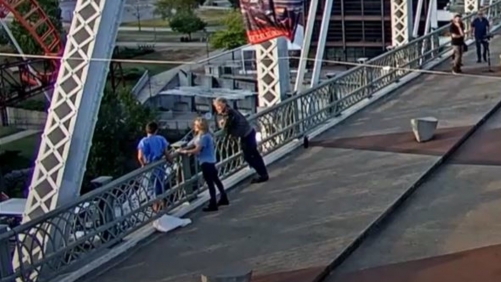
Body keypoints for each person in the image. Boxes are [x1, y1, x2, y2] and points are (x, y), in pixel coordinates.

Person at [213, 97, 269, 183]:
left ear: (223, 104)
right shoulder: (230, 111)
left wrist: (222, 125)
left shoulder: (229, 113)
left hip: (247, 135)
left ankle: (262, 174)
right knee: (255, 155)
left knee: (249, 157)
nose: (217, 109)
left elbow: (226, 127)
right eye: (216, 107)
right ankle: (263, 173)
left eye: (218, 106)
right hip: (249, 133)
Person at [178, 117, 229, 212]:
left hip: (206, 162)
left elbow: (197, 149)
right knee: (216, 180)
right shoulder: (201, 135)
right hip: (210, 161)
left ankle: (213, 203)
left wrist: (184, 151)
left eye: (195, 125)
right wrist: (185, 147)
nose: (194, 127)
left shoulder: (205, 137)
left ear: (199, 127)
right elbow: (192, 143)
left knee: (210, 183)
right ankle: (223, 197)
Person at [137, 121, 173, 212]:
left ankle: (156, 211)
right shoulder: (161, 139)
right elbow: (166, 153)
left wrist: (143, 165)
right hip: (160, 166)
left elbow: (140, 156)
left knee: (150, 189)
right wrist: (170, 161)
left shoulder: (143, 141)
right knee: (160, 187)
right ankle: (164, 209)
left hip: (149, 167)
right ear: (156, 130)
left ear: (146, 130)